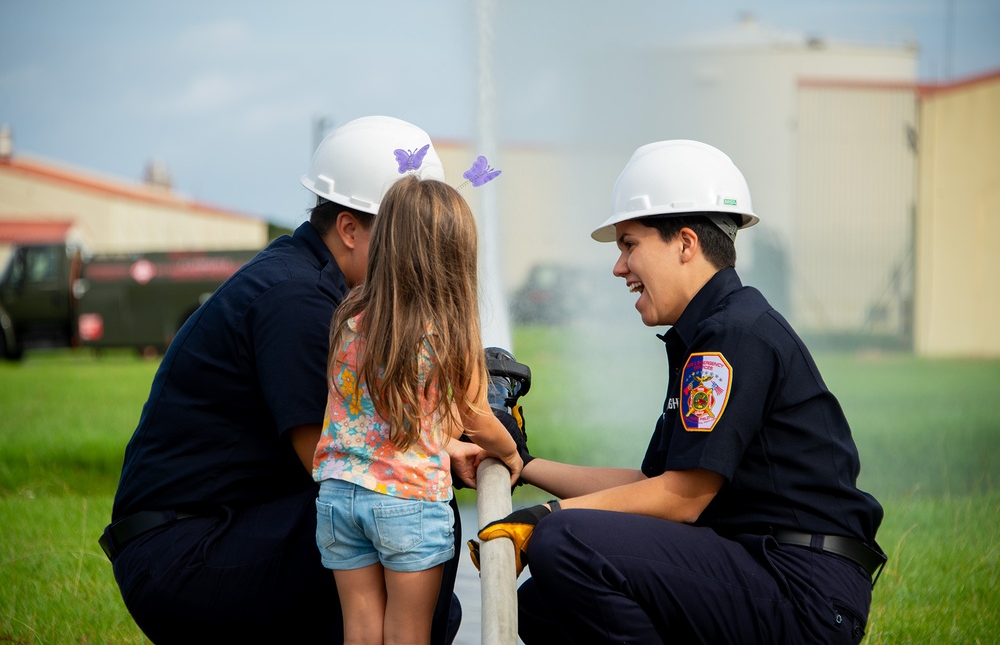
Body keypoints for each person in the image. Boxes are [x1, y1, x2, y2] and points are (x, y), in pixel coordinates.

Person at [477, 140, 887, 644]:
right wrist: (526, 464)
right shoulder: (713, 332)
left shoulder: (734, 336)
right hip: (768, 570)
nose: (619, 266)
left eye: (629, 244)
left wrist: (547, 516)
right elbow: (654, 483)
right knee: (541, 607)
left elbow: (682, 500)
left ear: (686, 243)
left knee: (565, 542)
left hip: (802, 592)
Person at [99, 115, 481, 643]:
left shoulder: (324, 290)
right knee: (412, 505)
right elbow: (330, 462)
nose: (419, 260)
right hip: (184, 559)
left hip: (215, 531)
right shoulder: (298, 303)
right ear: (349, 229)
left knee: (402, 525)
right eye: (404, 239)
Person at [314, 175, 522, 643]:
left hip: (338, 497)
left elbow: (371, 415)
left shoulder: (350, 317)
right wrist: (510, 454)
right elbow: (477, 418)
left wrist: (442, 444)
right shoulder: (447, 332)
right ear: (455, 257)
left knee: (361, 631)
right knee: (407, 634)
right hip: (407, 502)